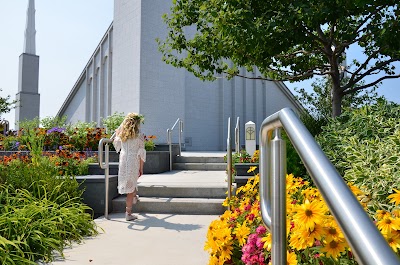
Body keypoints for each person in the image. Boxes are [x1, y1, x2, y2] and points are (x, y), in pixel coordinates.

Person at [113, 112, 146, 221]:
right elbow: (141, 153)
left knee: (129, 182)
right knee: (130, 188)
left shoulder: (122, 135)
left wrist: (117, 134)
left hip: (123, 160)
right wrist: (141, 168)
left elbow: (116, 145)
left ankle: (134, 197)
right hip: (133, 161)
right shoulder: (139, 136)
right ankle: (128, 213)